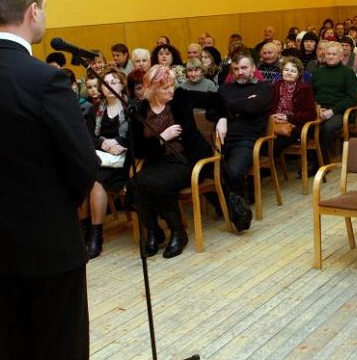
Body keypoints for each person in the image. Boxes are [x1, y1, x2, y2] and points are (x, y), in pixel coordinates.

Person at [0, 0, 99, 358]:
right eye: (44, 8)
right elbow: (83, 163)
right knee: (61, 348)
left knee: (12, 347)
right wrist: (59, 204)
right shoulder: (45, 80)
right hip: (50, 245)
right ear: (33, 11)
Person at [130, 65, 221, 258]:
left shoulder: (181, 98)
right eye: (165, 87)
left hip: (185, 160)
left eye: (172, 85)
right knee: (134, 184)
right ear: (152, 88)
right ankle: (154, 231)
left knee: (159, 184)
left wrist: (223, 119)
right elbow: (138, 148)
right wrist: (162, 137)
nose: (171, 90)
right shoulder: (140, 110)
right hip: (157, 161)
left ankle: (178, 232)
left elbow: (218, 99)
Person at [216, 52, 272, 231]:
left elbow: (253, 107)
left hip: (247, 140)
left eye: (244, 68)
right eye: (236, 69)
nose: (240, 72)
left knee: (233, 171)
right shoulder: (224, 89)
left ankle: (239, 211)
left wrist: (226, 106)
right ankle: (225, 203)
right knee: (203, 169)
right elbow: (211, 111)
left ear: (253, 68)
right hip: (220, 140)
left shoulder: (263, 88)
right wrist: (222, 117)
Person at [82, 67, 131, 259]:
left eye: (113, 82)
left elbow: (135, 137)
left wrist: (118, 143)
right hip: (100, 157)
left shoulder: (131, 107)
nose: (109, 86)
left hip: (123, 161)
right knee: (81, 177)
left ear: (122, 85)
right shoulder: (94, 110)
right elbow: (87, 138)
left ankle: (96, 236)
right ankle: (84, 231)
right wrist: (104, 143)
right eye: (105, 83)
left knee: (95, 180)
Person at [312, 42, 357, 165]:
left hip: (339, 111)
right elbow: (310, 95)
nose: (330, 56)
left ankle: (321, 163)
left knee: (328, 128)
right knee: (305, 125)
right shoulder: (317, 72)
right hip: (318, 109)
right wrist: (317, 109)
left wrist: (332, 111)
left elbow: (352, 99)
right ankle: (312, 158)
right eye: (328, 54)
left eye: (334, 54)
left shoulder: (348, 73)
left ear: (341, 56)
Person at [270, 57, 317, 156]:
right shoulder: (274, 86)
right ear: (282, 71)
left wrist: (288, 118)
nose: (289, 73)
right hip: (274, 123)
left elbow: (311, 114)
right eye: (286, 70)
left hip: (295, 126)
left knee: (275, 144)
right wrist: (271, 117)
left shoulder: (304, 89)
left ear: (298, 74)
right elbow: (267, 107)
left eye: (293, 71)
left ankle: (268, 165)